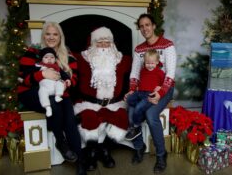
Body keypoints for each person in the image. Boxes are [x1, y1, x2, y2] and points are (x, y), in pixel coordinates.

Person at [17, 22, 86, 175]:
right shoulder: (33, 52)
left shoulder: (68, 56)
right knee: (55, 103)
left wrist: (66, 82)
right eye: (48, 34)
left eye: (55, 34)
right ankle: (60, 142)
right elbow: (23, 78)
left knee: (69, 118)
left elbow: (74, 79)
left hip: (59, 91)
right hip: (32, 92)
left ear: (60, 37)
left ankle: (80, 161)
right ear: (43, 36)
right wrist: (42, 74)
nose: (51, 37)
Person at [73, 26, 132, 171]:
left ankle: (105, 149)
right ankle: (92, 152)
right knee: (89, 118)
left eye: (107, 41)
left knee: (123, 118)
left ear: (112, 43)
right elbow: (63, 60)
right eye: (100, 42)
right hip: (90, 104)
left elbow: (139, 70)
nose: (104, 45)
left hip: (113, 104)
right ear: (93, 43)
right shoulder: (82, 58)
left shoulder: (122, 59)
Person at [125, 13, 176, 173]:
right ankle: (139, 147)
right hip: (144, 88)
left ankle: (161, 155)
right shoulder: (139, 49)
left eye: (147, 24)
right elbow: (134, 73)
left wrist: (160, 92)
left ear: (154, 26)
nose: (144, 28)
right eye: (141, 26)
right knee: (131, 109)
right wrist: (132, 90)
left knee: (151, 115)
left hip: (163, 88)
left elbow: (170, 73)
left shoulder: (167, 45)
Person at [125, 49, 165, 141]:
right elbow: (142, 81)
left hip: (149, 95)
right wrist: (136, 88)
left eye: (152, 63)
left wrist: (160, 88)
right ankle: (140, 113)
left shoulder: (160, 72)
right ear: (144, 62)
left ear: (157, 62)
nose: (150, 65)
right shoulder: (143, 70)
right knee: (129, 99)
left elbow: (164, 84)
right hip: (140, 92)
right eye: (147, 63)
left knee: (138, 107)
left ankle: (136, 126)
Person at [36, 47, 71, 117]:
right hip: (45, 87)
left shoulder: (56, 67)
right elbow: (30, 73)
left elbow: (63, 74)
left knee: (60, 83)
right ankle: (47, 107)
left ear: (55, 59)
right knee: (41, 92)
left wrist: (67, 79)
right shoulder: (38, 66)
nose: (49, 59)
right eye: (46, 57)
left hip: (55, 86)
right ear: (42, 59)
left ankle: (58, 95)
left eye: (52, 57)